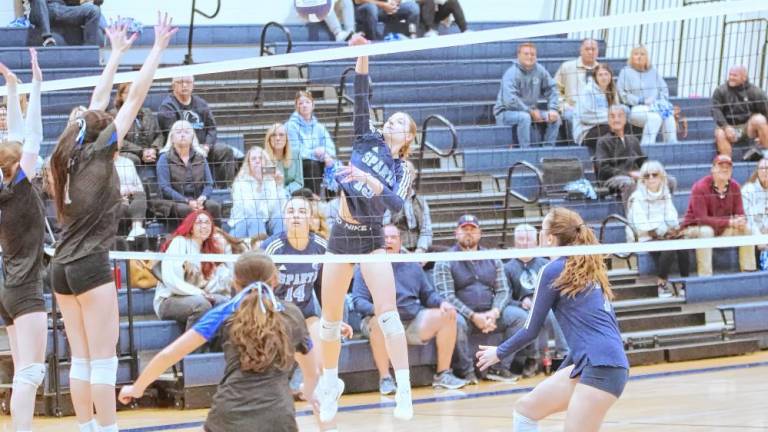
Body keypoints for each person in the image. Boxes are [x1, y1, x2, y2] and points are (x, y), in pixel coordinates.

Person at [47, 17, 176, 432]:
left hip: (61, 267)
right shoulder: (101, 154)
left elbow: (97, 100)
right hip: (89, 265)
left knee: (80, 359)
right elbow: (134, 96)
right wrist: (156, 49)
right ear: (106, 137)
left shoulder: (65, 153)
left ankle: (88, 428)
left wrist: (116, 52)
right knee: (103, 361)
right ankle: (107, 429)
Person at [315, 34, 417, 423]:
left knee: (387, 316)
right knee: (328, 322)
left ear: (407, 138)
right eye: (391, 118)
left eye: (400, 124)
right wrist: (363, 54)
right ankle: (330, 385)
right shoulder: (365, 138)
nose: (392, 122)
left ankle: (404, 391)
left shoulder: (402, 168)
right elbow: (361, 95)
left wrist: (372, 182)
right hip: (341, 235)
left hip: (372, 237)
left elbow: (396, 205)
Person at [119, 252, 321, 432]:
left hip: (229, 415)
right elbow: (311, 372)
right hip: (278, 416)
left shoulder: (223, 313)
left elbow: (168, 355)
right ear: (275, 279)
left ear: (235, 282)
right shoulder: (293, 314)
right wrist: (309, 391)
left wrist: (136, 388)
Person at [477, 207, 630, 432]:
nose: (539, 232)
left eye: (542, 228)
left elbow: (531, 329)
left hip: (601, 367)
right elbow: (592, 331)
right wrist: (567, 366)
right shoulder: (586, 269)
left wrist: (498, 353)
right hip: (595, 362)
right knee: (525, 410)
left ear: (550, 238)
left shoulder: (553, 270)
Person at [351, 225, 467, 394]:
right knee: (378, 323)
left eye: (393, 237)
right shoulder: (367, 265)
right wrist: (380, 310)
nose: (389, 241)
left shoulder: (412, 265)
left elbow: (428, 294)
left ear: (400, 241)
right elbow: (357, 301)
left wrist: (442, 303)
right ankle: (386, 379)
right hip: (380, 323)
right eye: (385, 238)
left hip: (411, 321)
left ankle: (443, 374)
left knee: (448, 315)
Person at [0, 49, 46, 432]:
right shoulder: (20, 188)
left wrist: (13, 89)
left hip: (8, 287)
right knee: (31, 372)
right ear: (18, 168)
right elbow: (32, 137)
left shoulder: (7, 188)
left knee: (23, 372)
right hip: (24, 288)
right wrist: (37, 85)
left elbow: (18, 141)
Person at [433, 214, 521, 383]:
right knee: (453, 320)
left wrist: (494, 313)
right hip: (464, 316)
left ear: (480, 233)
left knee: (520, 318)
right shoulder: (444, 260)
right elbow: (447, 296)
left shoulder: (492, 257)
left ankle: (500, 368)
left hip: (491, 314)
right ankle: (466, 371)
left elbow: (503, 291)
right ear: (456, 233)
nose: (468, 233)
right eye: (464, 229)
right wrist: (474, 316)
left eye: (472, 229)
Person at [504, 224, 568, 377]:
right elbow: (505, 298)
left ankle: (564, 355)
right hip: (521, 307)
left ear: (536, 243)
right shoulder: (507, 267)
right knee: (528, 318)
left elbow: (556, 291)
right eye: (521, 239)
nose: (525, 243)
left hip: (544, 304)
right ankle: (532, 358)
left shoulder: (545, 264)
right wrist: (521, 303)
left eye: (528, 239)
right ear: (514, 242)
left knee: (554, 313)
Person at [153, 210, 230, 331]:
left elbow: (210, 285)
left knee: (224, 303)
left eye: (207, 223)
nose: (204, 226)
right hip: (169, 299)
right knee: (202, 305)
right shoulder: (179, 242)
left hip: (196, 297)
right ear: (191, 227)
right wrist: (198, 293)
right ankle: (193, 349)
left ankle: (214, 348)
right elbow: (171, 280)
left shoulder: (208, 251)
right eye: (199, 222)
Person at [681, 155, 756, 276]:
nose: (725, 169)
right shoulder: (699, 187)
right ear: (713, 169)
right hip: (694, 228)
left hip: (720, 228)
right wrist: (729, 222)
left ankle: (749, 273)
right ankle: (705, 277)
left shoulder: (735, 186)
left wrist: (741, 220)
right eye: (721, 166)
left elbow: (740, 212)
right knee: (706, 231)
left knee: (747, 229)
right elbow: (702, 219)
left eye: (728, 167)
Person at [158, 75, 235, 187]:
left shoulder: (201, 103)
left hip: (204, 147)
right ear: (173, 85)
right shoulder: (167, 107)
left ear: (193, 85)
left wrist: (207, 146)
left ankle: (224, 190)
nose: (184, 85)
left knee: (225, 151)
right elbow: (174, 135)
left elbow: (212, 128)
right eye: (180, 82)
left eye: (188, 82)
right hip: (181, 149)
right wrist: (196, 148)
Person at [627, 160, 689, 296]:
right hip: (644, 236)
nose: (650, 178)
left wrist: (673, 229)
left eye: (654, 175)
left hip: (663, 235)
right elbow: (640, 225)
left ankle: (686, 284)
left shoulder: (665, 194)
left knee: (683, 243)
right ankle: (661, 284)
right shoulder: (636, 198)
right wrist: (661, 232)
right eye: (646, 176)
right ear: (642, 179)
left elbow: (671, 217)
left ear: (661, 177)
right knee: (669, 246)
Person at [493, 42, 561, 147]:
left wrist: (553, 109)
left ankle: (548, 150)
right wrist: (530, 111)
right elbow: (510, 101)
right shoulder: (511, 73)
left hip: (530, 112)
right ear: (518, 55)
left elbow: (552, 89)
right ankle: (525, 151)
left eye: (533, 54)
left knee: (555, 117)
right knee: (524, 117)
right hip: (506, 113)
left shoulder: (540, 70)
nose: (530, 56)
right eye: (526, 54)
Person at [155, 119, 222, 225]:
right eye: (178, 132)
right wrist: (187, 201)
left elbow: (209, 184)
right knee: (186, 210)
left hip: (198, 200)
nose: (182, 135)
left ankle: (216, 237)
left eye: (186, 132)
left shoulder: (201, 157)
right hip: (174, 202)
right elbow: (164, 188)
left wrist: (203, 198)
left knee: (214, 206)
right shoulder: (164, 158)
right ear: (172, 138)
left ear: (192, 137)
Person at [617, 45, 677, 146]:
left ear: (647, 57)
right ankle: (647, 147)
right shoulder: (625, 72)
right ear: (632, 57)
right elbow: (622, 94)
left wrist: (660, 102)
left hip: (655, 106)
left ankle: (671, 145)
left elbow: (664, 89)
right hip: (635, 108)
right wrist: (641, 100)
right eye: (636, 54)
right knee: (655, 117)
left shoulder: (653, 71)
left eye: (642, 54)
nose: (639, 56)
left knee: (668, 115)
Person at [228, 145, 287, 239]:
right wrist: (259, 186)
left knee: (279, 219)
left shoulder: (270, 180)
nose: (257, 161)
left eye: (261, 158)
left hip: (265, 223)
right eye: (253, 159)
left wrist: (279, 186)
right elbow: (250, 211)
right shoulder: (240, 183)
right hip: (243, 225)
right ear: (249, 163)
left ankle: (281, 250)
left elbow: (280, 209)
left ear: (265, 162)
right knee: (256, 219)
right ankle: (259, 251)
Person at [711, 65, 768, 160]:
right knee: (719, 133)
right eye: (730, 75)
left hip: (747, 128)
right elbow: (715, 110)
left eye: (735, 75)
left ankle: (766, 155)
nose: (731, 78)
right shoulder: (720, 90)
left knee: (760, 119)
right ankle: (727, 162)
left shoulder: (755, 92)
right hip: (728, 128)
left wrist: (762, 135)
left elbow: (766, 111)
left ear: (744, 77)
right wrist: (725, 127)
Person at [285, 91, 337, 195]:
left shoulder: (319, 127)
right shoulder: (290, 126)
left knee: (334, 165)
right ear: (296, 107)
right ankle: (314, 202)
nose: (304, 105)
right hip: (299, 163)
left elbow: (331, 148)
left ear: (313, 105)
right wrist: (315, 153)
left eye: (307, 102)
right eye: (300, 103)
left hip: (320, 161)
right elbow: (296, 151)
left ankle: (332, 204)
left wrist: (325, 155)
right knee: (311, 165)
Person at [595, 105, 647, 207]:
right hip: (613, 179)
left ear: (625, 119)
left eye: (620, 116)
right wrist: (629, 174)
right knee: (628, 182)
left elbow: (643, 162)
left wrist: (648, 172)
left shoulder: (633, 140)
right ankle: (632, 218)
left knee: (667, 180)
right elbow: (604, 169)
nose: (616, 119)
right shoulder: (602, 141)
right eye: (612, 116)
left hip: (635, 177)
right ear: (608, 120)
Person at [382, 160, 432, 253]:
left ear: (414, 176)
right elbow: (385, 229)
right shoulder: (389, 200)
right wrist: (403, 251)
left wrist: (421, 249)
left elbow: (426, 229)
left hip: (418, 250)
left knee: (443, 252)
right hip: (397, 250)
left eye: (408, 174)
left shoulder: (421, 201)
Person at [111, 82, 164, 168]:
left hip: (149, 153)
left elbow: (159, 135)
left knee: (164, 157)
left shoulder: (147, 112)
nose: (132, 95)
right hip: (127, 153)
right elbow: (116, 140)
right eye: (128, 92)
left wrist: (154, 150)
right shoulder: (114, 115)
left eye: (134, 92)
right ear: (120, 95)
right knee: (133, 159)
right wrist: (141, 151)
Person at [573, 63, 619, 154]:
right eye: (600, 75)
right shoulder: (588, 91)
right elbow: (584, 116)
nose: (604, 77)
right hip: (586, 131)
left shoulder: (612, 90)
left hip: (605, 127)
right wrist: (610, 118)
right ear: (595, 77)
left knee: (626, 127)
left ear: (610, 76)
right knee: (615, 129)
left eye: (606, 74)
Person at [555, 38, 600, 125]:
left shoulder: (602, 70)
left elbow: (610, 92)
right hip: (572, 108)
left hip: (595, 110)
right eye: (587, 49)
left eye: (593, 49)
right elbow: (556, 90)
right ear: (581, 51)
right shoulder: (567, 67)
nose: (590, 52)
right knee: (572, 115)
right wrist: (564, 106)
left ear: (598, 51)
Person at [28, 0, 103, 47]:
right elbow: (39, 2)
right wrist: (47, 35)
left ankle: (88, 50)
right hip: (48, 9)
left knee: (94, 10)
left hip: (62, 9)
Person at [114, 153, 147, 240]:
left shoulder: (128, 162)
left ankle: (136, 229)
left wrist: (131, 190)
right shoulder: (99, 163)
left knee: (140, 195)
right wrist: (119, 192)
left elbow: (140, 188)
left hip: (130, 200)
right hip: (111, 202)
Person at [264, 122, 304, 194]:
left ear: (286, 138)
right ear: (269, 139)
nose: (278, 138)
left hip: (292, 194)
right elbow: (266, 184)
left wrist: (286, 192)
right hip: (272, 195)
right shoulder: (263, 157)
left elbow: (299, 182)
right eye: (273, 135)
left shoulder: (296, 153)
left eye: (281, 135)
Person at [354, 0, 420, 40]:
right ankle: (374, 42)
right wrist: (383, 5)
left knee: (413, 7)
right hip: (365, 9)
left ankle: (412, 38)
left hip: (385, 8)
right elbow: (358, 1)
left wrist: (394, 3)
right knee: (371, 8)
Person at [741, 158, 768, 248]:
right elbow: (749, 219)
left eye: (767, 168)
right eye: (762, 168)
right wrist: (759, 237)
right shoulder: (748, 190)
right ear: (757, 171)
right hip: (755, 232)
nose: (765, 171)